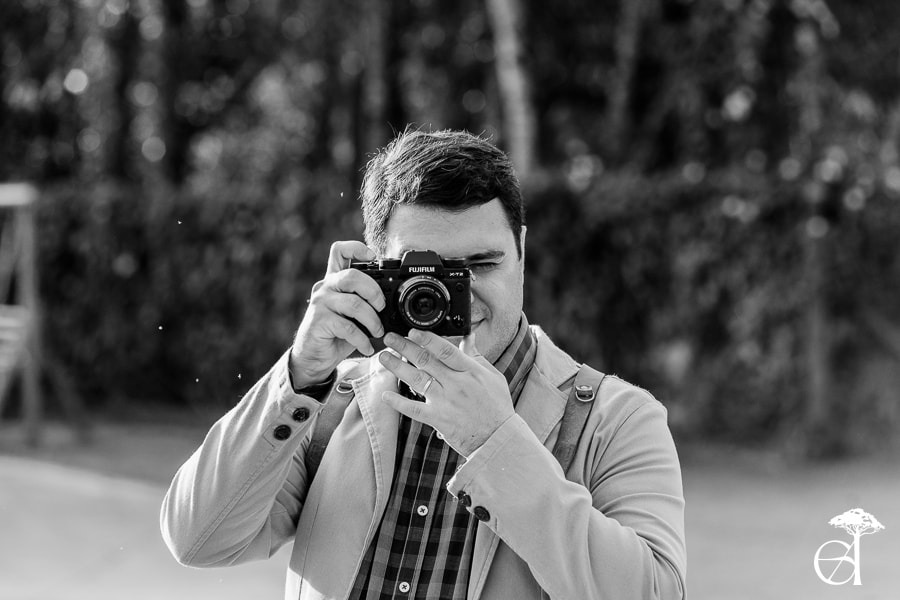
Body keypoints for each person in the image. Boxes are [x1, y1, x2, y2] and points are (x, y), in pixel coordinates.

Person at [160, 128, 686, 600]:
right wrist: (299, 373)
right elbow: (197, 539)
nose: (458, 294)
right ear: (374, 264)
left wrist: (495, 442)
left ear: (522, 249)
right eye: (427, 270)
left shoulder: (617, 419)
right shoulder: (326, 402)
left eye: (481, 264)